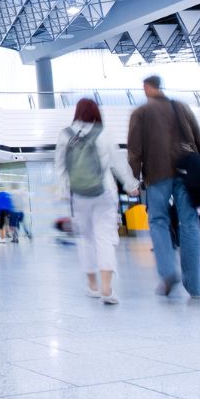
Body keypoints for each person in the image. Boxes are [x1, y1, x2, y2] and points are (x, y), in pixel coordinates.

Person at [128, 75, 200, 299]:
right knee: (190, 224)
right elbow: (199, 140)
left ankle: (167, 272)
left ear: (147, 87)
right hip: (186, 172)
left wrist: (133, 179)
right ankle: (197, 287)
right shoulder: (181, 107)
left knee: (158, 221)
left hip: (156, 174)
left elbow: (135, 150)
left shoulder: (140, 113)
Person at [57, 98, 136, 304]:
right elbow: (119, 163)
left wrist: (66, 192)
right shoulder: (104, 133)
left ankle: (92, 286)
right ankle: (107, 288)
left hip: (78, 195)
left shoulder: (65, 135)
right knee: (105, 237)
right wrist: (130, 184)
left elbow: (60, 169)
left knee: (86, 239)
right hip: (104, 193)